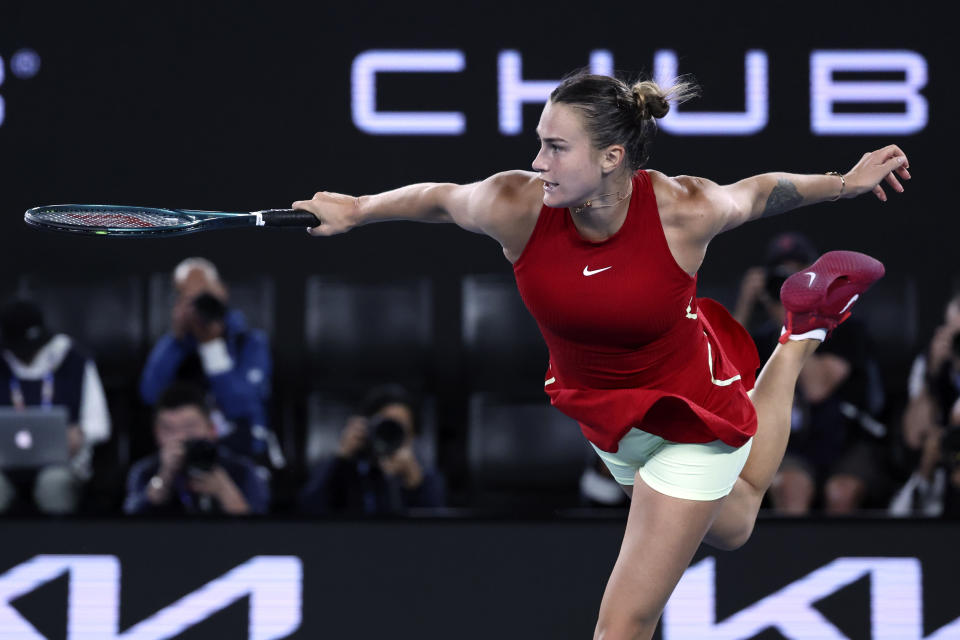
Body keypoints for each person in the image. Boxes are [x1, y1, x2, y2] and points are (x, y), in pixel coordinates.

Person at [292, 71, 909, 639]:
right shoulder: (516, 205)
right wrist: (357, 210)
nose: (539, 161)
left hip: (687, 410)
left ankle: (799, 342)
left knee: (623, 626)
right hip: (607, 415)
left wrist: (842, 185)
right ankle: (802, 325)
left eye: (557, 148)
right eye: (539, 142)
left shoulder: (681, 210)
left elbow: (757, 194)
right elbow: (438, 197)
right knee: (736, 522)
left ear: (613, 157)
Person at [734, 233, 888, 514]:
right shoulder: (762, 335)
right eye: (781, 279)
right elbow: (722, 373)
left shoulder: (847, 327)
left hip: (848, 441)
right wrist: (746, 305)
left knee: (840, 492)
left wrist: (796, 314)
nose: (789, 287)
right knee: (790, 486)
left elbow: (817, 388)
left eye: (797, 277)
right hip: (791, 444)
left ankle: (840, 557)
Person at [139, 257, 274, 460]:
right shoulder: (175, 345)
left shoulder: (251, 343)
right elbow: (150, 396)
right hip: (184, 452)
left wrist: (211, 346)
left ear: (222, 291)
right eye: (190, 298)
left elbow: (241, 408)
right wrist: (176, 341)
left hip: (243, 453)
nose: (201, 304)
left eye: (206, 294)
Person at [0, 297, 111, 514]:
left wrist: (80, 434)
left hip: (62, 463)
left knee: (52, 484)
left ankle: (57, 546)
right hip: (4, 465)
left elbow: (100, 425)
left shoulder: (74, 360)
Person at [124, 382, 271, 515]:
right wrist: (164, 479)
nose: (181, 437)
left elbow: (263, 530)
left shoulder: (241, 470)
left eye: (190, 427)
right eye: (169, 429)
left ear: (212, 429)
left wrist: (224, 490)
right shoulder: (145, 472)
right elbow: (126, 526)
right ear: (156, 433)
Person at [298, 384, 445, 515]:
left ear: (413, 435)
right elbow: (307, 511)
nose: (390, 436)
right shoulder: (344, 469)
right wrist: (341, 458)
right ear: (367, 428)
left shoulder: (425, 476)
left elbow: (439, 534)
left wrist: (415, 484)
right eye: (384, 427)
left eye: (399, 429)